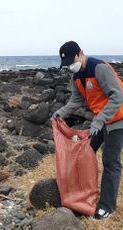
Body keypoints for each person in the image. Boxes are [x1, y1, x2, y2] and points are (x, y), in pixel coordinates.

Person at [53, 41, 123, 220]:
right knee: (84, 154)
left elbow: (118, 96)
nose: (70, 66)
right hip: (99, 121)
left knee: (110, 161)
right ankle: (84, 198)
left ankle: (107, 207)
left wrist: (99, 121)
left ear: (80, 53)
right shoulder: (76, 77)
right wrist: (60, 113)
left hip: (118, 119)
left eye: (71, 61)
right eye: (67, 64)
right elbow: (76, 101)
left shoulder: (99, 68)